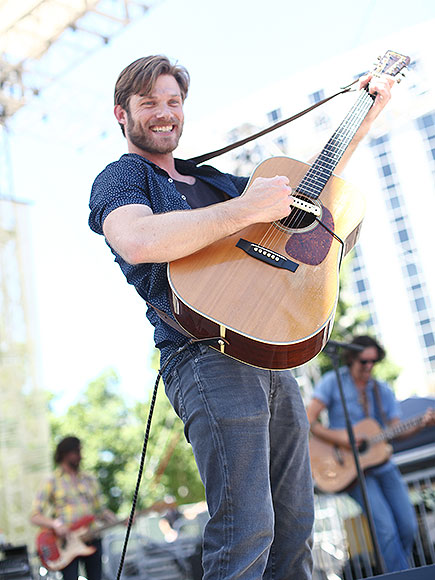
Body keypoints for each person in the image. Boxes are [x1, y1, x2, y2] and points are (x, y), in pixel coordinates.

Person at [88, 55, 394, 579]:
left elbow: (305, 194)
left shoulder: (216, 180)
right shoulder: (121, 177)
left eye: (173, 102)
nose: (164, 113)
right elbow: (138, 240)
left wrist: (365, 114)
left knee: (295, 527)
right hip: (204, 357)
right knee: (246, 528)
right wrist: (247, 209)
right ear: (122, 114)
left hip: (274, 358)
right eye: (149, 103)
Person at [306, 335, 434, 573]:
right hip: (353, 470)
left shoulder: (381, 390)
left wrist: (420, 423)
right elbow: (309, 420)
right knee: (385, 528)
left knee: (407, 525)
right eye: (364, 361)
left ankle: (398, 572)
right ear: (351, 358)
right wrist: (341, 438)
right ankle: (401, 575)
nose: (369, 367)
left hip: (383, 465)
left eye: (373, 362)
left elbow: (396, 431)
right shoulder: (332, 382)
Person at [30, 436, 117, 580]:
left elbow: (101, 511)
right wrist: (55, 524)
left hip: (92, 538)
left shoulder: (90, 479)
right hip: (66, 543)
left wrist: (119, 520)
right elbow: (35, 515)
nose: (80, 456)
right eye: (76, 452)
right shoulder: (52, 481)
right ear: (65, 453)